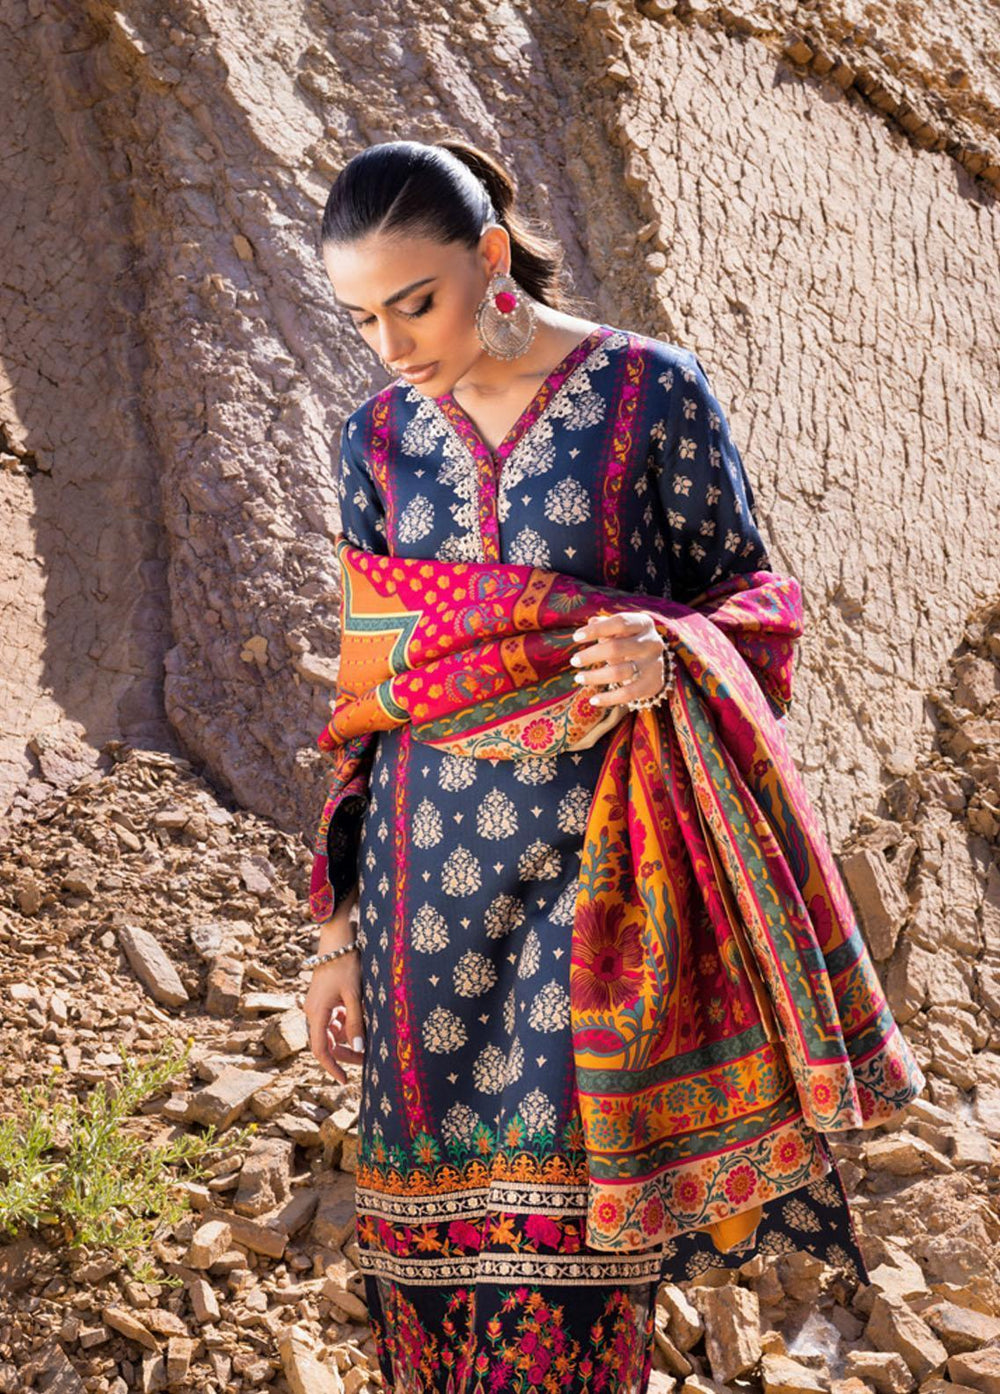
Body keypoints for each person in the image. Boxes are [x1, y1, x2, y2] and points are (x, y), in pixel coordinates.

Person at [302, 137, 883, 1394]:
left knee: (570, 1242)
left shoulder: (647, 391)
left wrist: (673, 650)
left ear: (489, 257)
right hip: (420, 881)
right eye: (362, 318)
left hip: (602, 869)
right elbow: (366, 696)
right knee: (425, 1252)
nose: (392, 345)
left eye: (416, 303)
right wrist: (337, 930)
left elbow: (756, 602)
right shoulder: (376, 442)